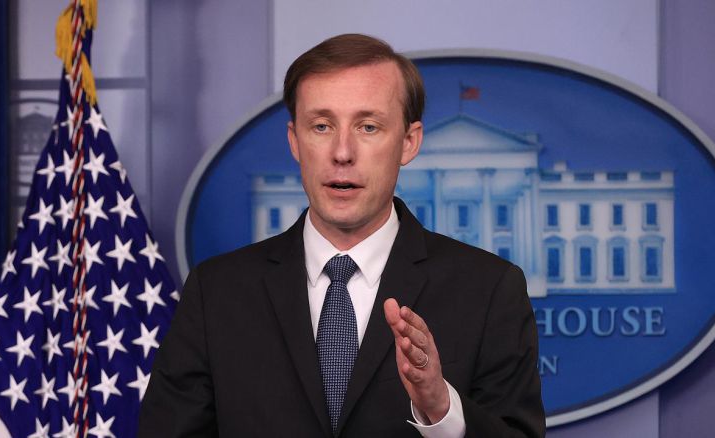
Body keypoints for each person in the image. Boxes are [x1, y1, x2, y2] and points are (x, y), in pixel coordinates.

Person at [139, 34, 544, 437]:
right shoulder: (216, 293)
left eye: (368, 127)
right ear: (295, 141)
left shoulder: (489, 290)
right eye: (321, 126)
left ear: (408, 142)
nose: (342, 152)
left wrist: (442, 410)